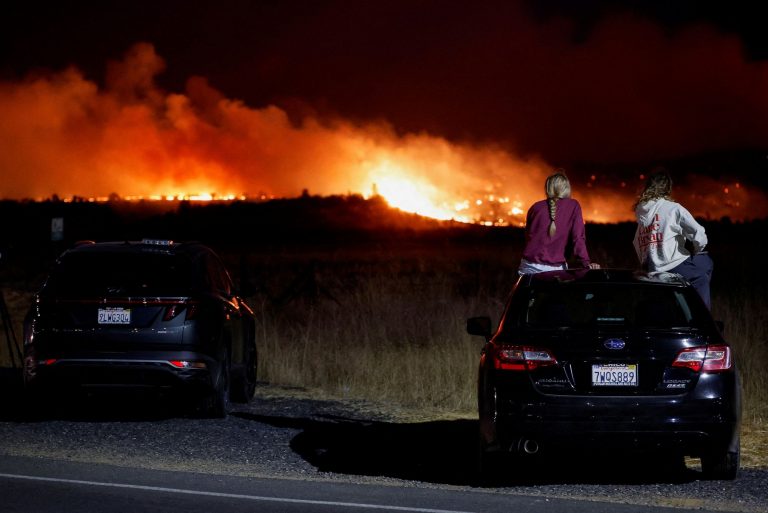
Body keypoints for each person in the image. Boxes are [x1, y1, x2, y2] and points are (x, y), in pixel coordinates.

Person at [633, 169, 713, 309]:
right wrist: (695, 248)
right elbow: (699, 235)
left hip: (652, 268)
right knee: (704, 268)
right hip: (673, 265)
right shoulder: (673, 208)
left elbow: (636, 242)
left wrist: (646, 263)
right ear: (668, 188)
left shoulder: (641, 214)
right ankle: (701, 318)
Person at [519, 171, 599, 275]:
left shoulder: (535, 207)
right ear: (567, 189)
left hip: (528, 267)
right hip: (555, 270)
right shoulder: (573, 206)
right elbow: (578, 237)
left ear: (548, 188)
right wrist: (586, 263)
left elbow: (529, 237)